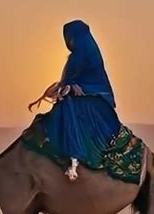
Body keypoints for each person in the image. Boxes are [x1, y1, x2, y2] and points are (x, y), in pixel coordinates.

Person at [28, 20, 121, 181]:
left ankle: (72, 160)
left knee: (65, 109)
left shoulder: (83, 54)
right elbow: (71, 81)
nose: (68, 42)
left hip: (92, 101)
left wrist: (73, 88)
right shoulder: (84, 53)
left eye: (69, 37)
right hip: (89, 99)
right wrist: (68, 87)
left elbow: (86, 81)